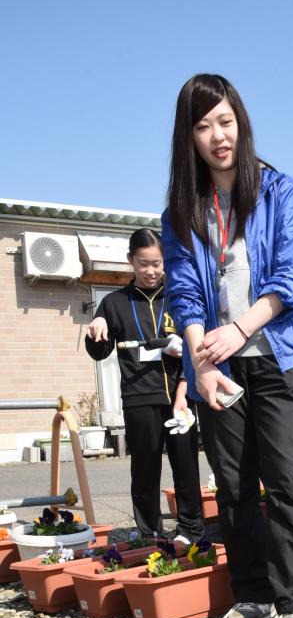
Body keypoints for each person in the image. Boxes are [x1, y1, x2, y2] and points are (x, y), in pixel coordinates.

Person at [161, 73, 293, 618]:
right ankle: (252, 593)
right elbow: (182, 290)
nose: (217, 136)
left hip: (279, 357)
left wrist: (239, 328)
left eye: (225, 121)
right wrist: (201, 364)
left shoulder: (282, 191)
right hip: (218, 364)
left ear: (242, 122)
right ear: (190, 137)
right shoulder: (183, 207)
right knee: (231, 485)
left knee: (286, 482)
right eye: (203, 126)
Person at [84, 228, 204, 544]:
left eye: (157, 263)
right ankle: (150, 532)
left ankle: (190, 530)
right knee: (145, 469)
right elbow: (100, 351)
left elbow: (194, 352)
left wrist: (184, 390)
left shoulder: (178, 298)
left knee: (186, 465)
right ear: (131, 262)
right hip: (139, 397)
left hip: (181, 396)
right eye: (143, 264)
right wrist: (95, 329)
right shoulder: (114, 303)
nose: (151, 271)